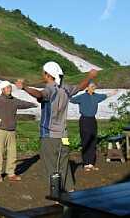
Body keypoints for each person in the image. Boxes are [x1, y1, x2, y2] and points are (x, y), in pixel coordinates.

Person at [15, 61, 98, 192]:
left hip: (49, 135)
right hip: (64, 135)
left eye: (43, 73)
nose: (42, 75)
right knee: (63, 164)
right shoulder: (66, 88)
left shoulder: (50, 89)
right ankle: (69, 189)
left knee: (51, 166)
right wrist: (90, 76)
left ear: (48, 75)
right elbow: (81, 87)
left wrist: (24, 87)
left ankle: (57, 194)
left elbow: (40, 94)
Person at [70, 82, 117, 171]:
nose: (93, 88)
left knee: (93, 141)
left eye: (94, 87)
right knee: (85, 141)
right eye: (91, 86)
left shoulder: (96, 96)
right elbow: (71, 100)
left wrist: (113, 92)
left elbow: (105, 96)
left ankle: (91, 164)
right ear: (87, 87)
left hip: (92, 120)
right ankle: (86, 164)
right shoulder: (82, 96)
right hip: (84, 120)